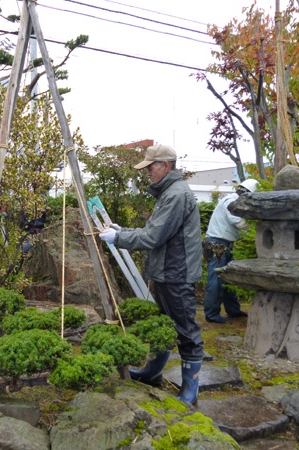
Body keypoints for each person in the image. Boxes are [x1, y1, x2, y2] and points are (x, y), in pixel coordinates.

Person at [98, 144, 204, 406]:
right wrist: (124, 230)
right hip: (169, 270)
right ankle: (152, 372)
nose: (147, 172)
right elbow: (158, 229)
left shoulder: (176, 194)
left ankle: (190, 390)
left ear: (165, 166)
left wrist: (119, 237)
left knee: (185, 329)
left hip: (176, 273)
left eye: (150, 167)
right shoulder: (170, 192)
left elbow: (154, 236)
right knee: (165, 325)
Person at [203, 179, 258, 323]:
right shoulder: (230, 201)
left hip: (225, 243)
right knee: (216, 280)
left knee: (229, 278)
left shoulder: (234, 200)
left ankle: (233, 310)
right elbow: (240, 223)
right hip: (217, 244)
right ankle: (211, 315)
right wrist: (257, 222)